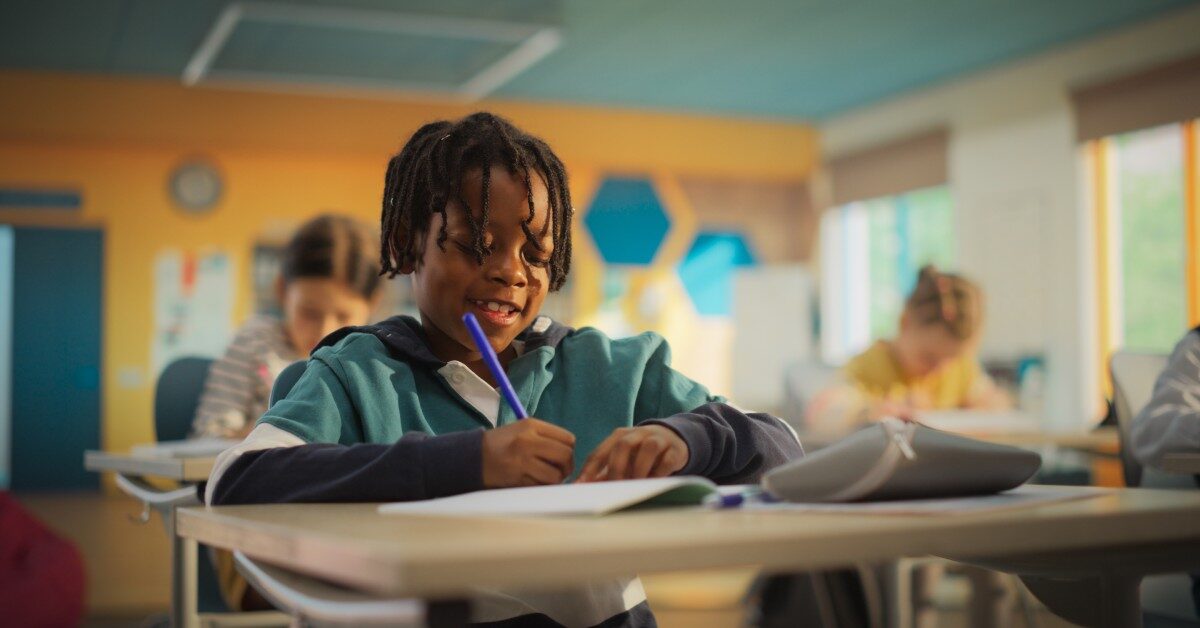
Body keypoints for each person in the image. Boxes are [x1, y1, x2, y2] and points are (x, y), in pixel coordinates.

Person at [204, 112, 803, 627]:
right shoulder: (354, 373)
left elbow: (784, 448)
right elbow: (234, 483)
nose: (511, 273)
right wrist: (468, 461)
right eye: (475, 244)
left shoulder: (612, 368)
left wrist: (683, 439)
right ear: (410, 242)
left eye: (536, 253)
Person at [190, 214, 383, 439]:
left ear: (372, 304)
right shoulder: (255, 343)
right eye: (309, 313)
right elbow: (209, 437)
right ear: (282, 290)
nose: (324, 332)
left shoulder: (372, 363)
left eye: (343, 316)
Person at [806, 265, 1009, 433]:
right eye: (929, 358)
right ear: (904, 323)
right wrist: (870, 412)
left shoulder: (961, 369)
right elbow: (821, 414)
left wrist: (985, 407)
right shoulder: (870, 365)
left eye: (953, 359)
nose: (941, 370)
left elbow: (997, 402)